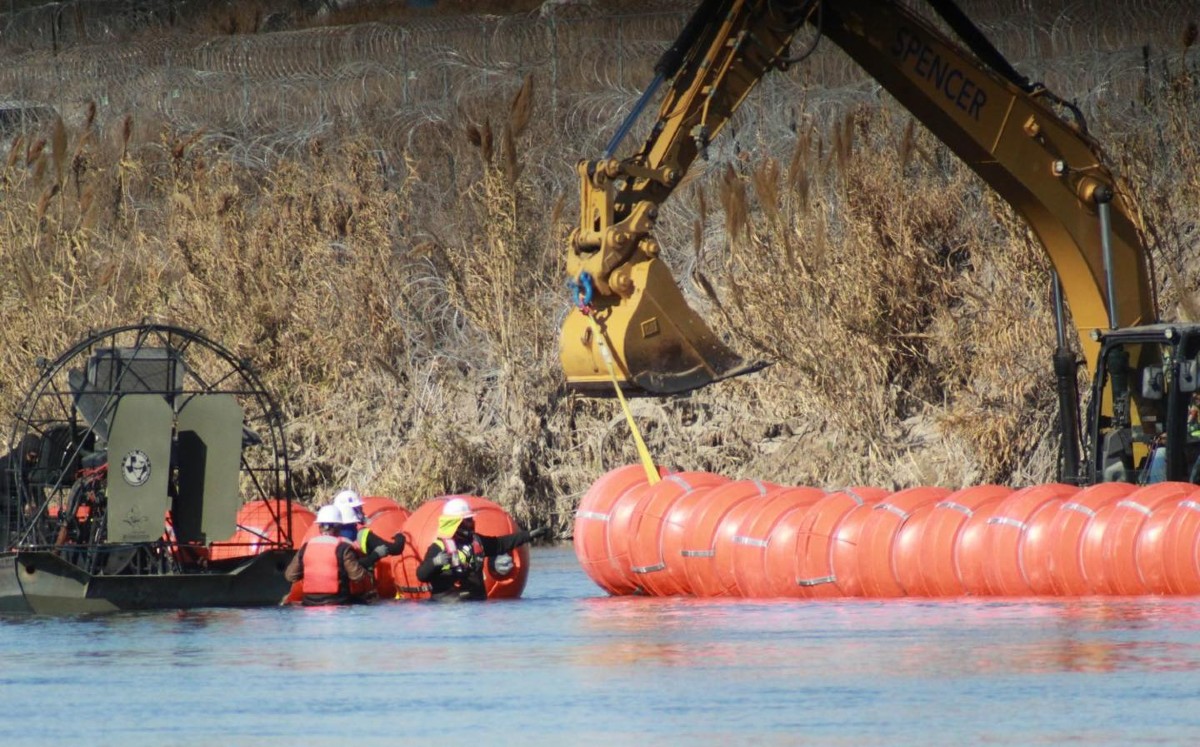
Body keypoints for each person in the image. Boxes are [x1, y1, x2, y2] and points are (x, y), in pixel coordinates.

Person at [415, 497, 551, 601]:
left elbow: (500, 544)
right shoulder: (438, 548)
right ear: (456, 523)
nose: (472, 524)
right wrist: (435, 562)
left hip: (475, 604)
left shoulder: (477, 542)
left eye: (471, 520)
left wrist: (529, 535)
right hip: (447, 604)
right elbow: (421, 575)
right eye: (467, 521)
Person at [284, 505, 372, 606]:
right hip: (337, 602)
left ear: (320, 527)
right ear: (338, 527)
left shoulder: (306, 547)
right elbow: (357, 576)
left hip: (309, 603)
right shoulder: (344, 547)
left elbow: (290, 576)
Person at [332, 489, 407, 568]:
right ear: (351, 511)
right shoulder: (362, 534)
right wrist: (400, 537)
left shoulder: (329, 535)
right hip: (360, 577)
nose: (362, 512)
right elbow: (395, 549)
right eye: (359, 509)